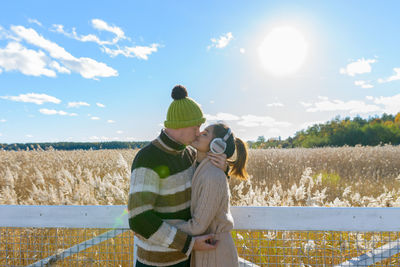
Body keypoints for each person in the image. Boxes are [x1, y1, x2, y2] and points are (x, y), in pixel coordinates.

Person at [128, 85, 227, 267]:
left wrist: (223, 170)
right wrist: (189, 244)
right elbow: (139, 219)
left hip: (186, 260)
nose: (199, 132)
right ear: (181, 124)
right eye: (196, 126)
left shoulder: (189, 154)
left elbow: (207, 188)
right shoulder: (148, 158)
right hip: (155, 263)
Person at [175, 123, 248, 267]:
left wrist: (157, 229)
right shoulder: (198, 166)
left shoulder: (213, 175)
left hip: (215, 253)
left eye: (205, 133)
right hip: (207, 250)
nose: (199, 133)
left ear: (217, 145)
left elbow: (198, 226)